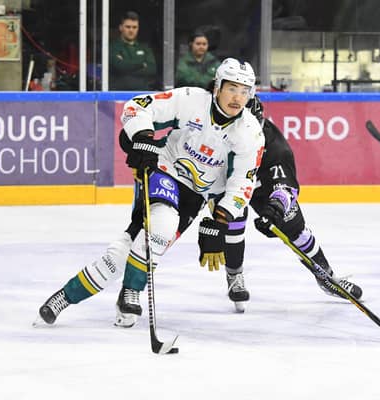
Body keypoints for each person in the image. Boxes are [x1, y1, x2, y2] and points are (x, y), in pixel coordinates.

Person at [35, 58, 264, 326]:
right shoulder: (190, 100)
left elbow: (243, 183)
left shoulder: (250, 132)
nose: (237, 97)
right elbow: (137, 107)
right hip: (165, 170)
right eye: (232, 88)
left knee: (126, 250)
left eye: (244, 91)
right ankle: (132, 291)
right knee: (163, 226)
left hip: (196, 196)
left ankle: (65, 297)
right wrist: (142, 138)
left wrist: (221, 218)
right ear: (217, 87)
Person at [114, 95, 363, 325]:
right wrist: (137, 145)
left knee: (294, 228)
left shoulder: (275, 146)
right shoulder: (219, 129)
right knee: (211, 226)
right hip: (225, 184)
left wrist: (275, 208)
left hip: (261, 187)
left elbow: (285, 187)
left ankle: (327, 277)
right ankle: (231, 275)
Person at [109, 11, 157, 90]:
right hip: (118, 96)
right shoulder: (113, 47)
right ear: (121, 27)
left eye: (134, 27)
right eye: (128, 27)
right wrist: (142, 64)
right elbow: (119, 66)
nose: (131, 30)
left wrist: (126, 68)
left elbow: (152, 69)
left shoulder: (145, 48)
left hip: (141, 95)